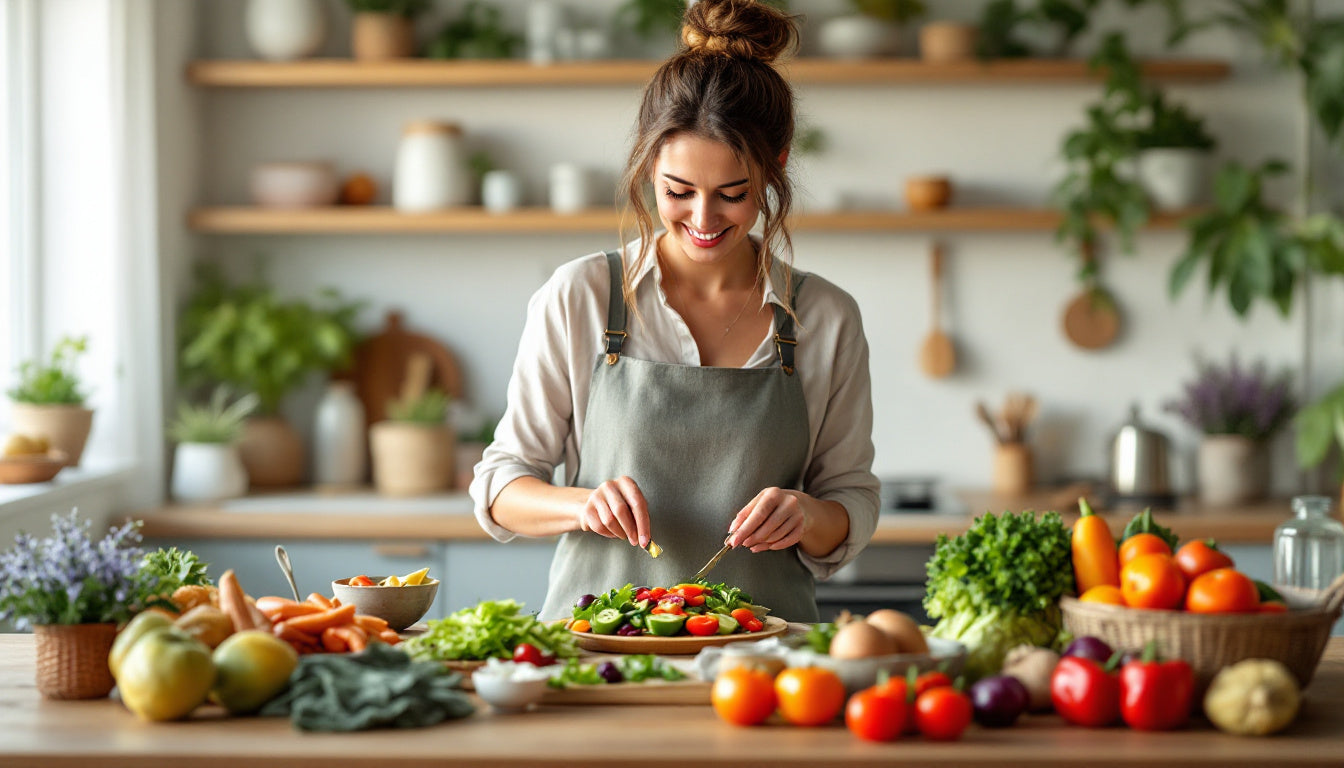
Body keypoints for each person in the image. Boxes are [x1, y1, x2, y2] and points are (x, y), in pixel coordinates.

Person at [469, 0, 879, 622]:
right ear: (648, 163)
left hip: (764, 660)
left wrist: (808, 515)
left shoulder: (825, 317)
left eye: (734, 194)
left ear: (776, 165)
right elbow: (502, 486)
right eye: (678, 191)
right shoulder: (581, 295)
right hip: (598, 653)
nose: (704, 219)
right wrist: (581, 505)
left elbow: (851, 501)